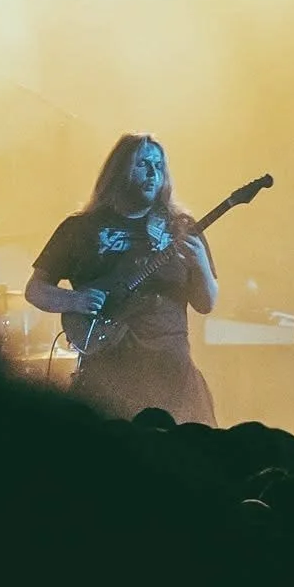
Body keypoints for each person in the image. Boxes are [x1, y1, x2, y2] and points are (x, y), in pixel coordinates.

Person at [25, 133, 218, 424]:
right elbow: (35, 289)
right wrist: (74, 300)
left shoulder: (180, 228)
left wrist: (201, 264)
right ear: (118, 171)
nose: (153, 173)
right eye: (142, 164)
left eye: (158, 165)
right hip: (105, 374)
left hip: (170, 373)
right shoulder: (80, 228)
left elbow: (206, 304)